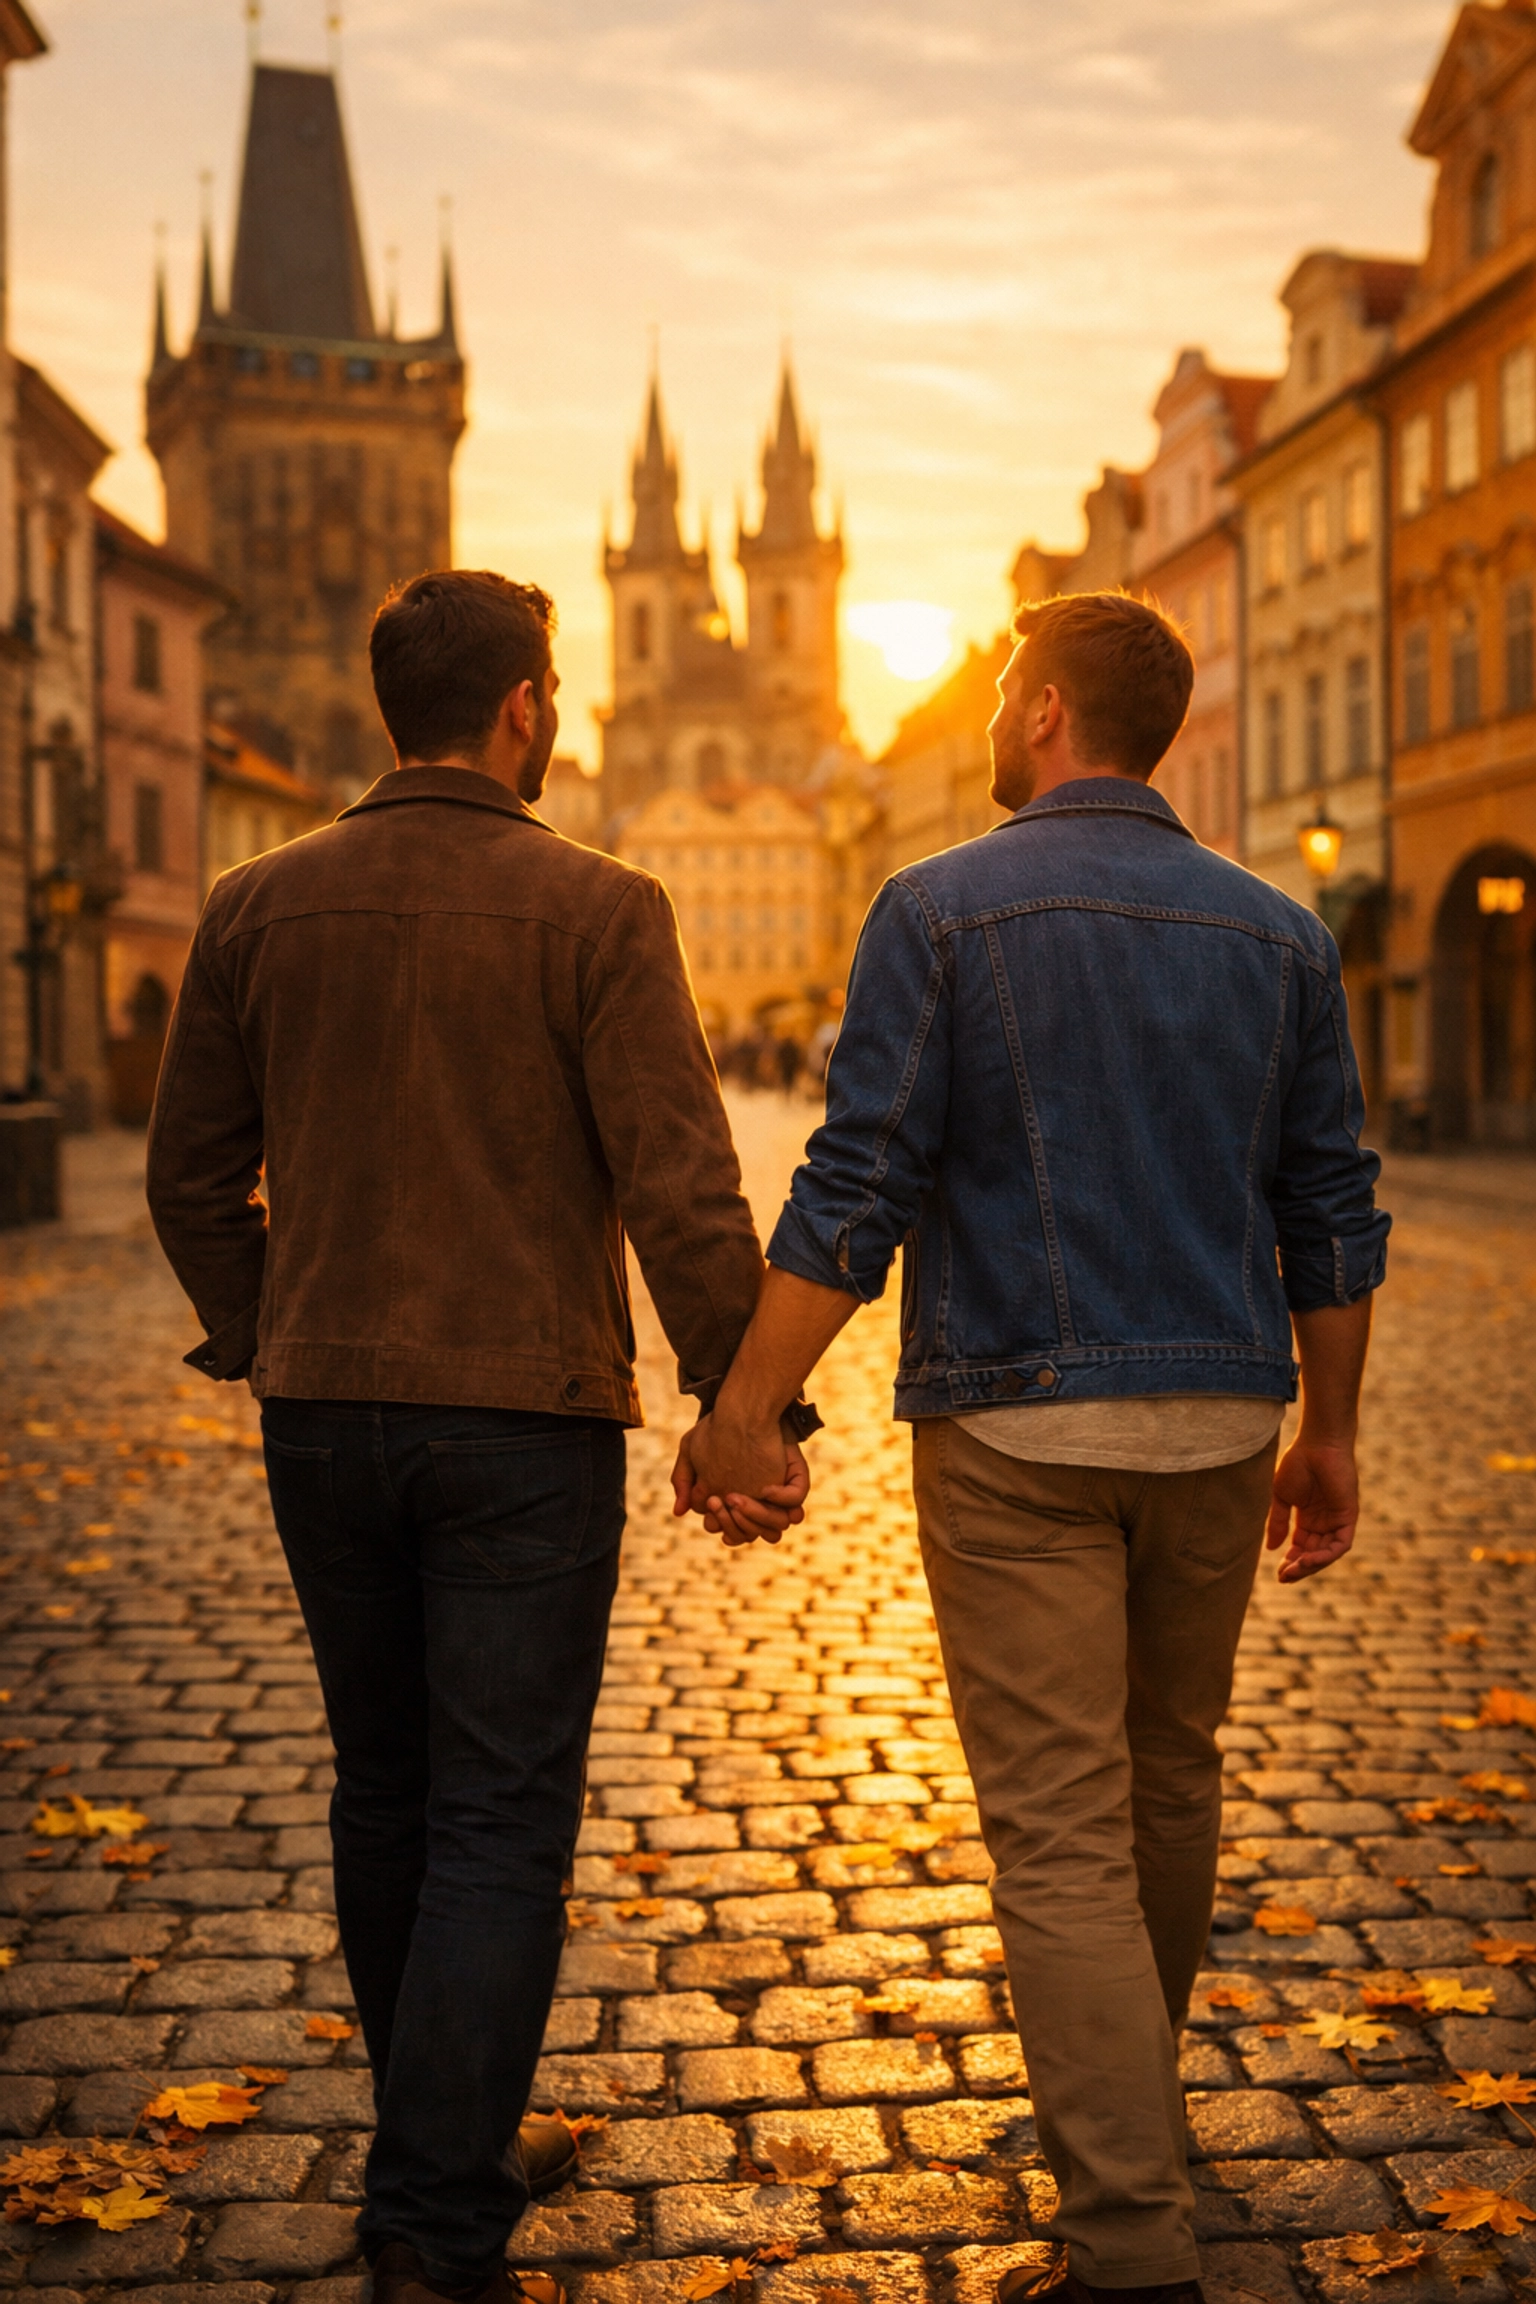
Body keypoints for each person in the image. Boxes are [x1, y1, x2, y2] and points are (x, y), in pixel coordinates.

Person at [676, 590, 1389, 2304]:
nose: (992, 714)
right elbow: (1331, 1207)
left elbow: (859, 1186)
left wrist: (745, 1409)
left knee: (1063, 1826)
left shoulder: (935, 908)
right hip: (1223, 1418)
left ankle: (1131, 2239)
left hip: (1015, 1418)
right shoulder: (1284, 934)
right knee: (1172, 1772)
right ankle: (1125, 2099)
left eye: (1003, 690)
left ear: (1051, 707)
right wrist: (1335, 1430)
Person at [146, 569, 809, 2304]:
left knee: (389, 1791)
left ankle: (446, 2125)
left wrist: (264, 1321)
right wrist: (745, 1405)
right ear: (525, 707)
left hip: (326, 1418)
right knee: (503, 1812)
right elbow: (681, 1184)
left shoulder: (251, 904)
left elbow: (188, 1177)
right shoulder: (600, 904)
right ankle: (436, 2212)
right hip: (524, 1421)